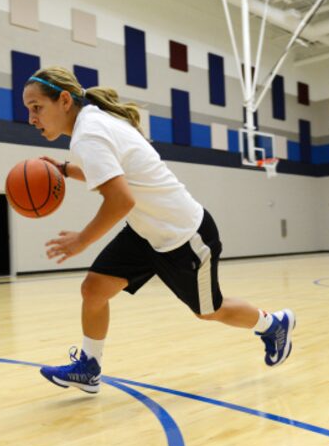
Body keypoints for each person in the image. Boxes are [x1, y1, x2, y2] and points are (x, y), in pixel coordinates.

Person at [23, 66, 295, 394]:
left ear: (64, 100)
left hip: (184, 236)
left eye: (36, 107)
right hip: (146, 232)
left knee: (210, 312)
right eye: (29, 110)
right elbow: (119, 176)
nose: (32, 118)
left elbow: (121, 200)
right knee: (93, 290)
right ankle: (89, 368)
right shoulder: (94, 122)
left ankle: (273, 325)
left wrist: (82, 240)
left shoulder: (89, 133)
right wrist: (67, 171)